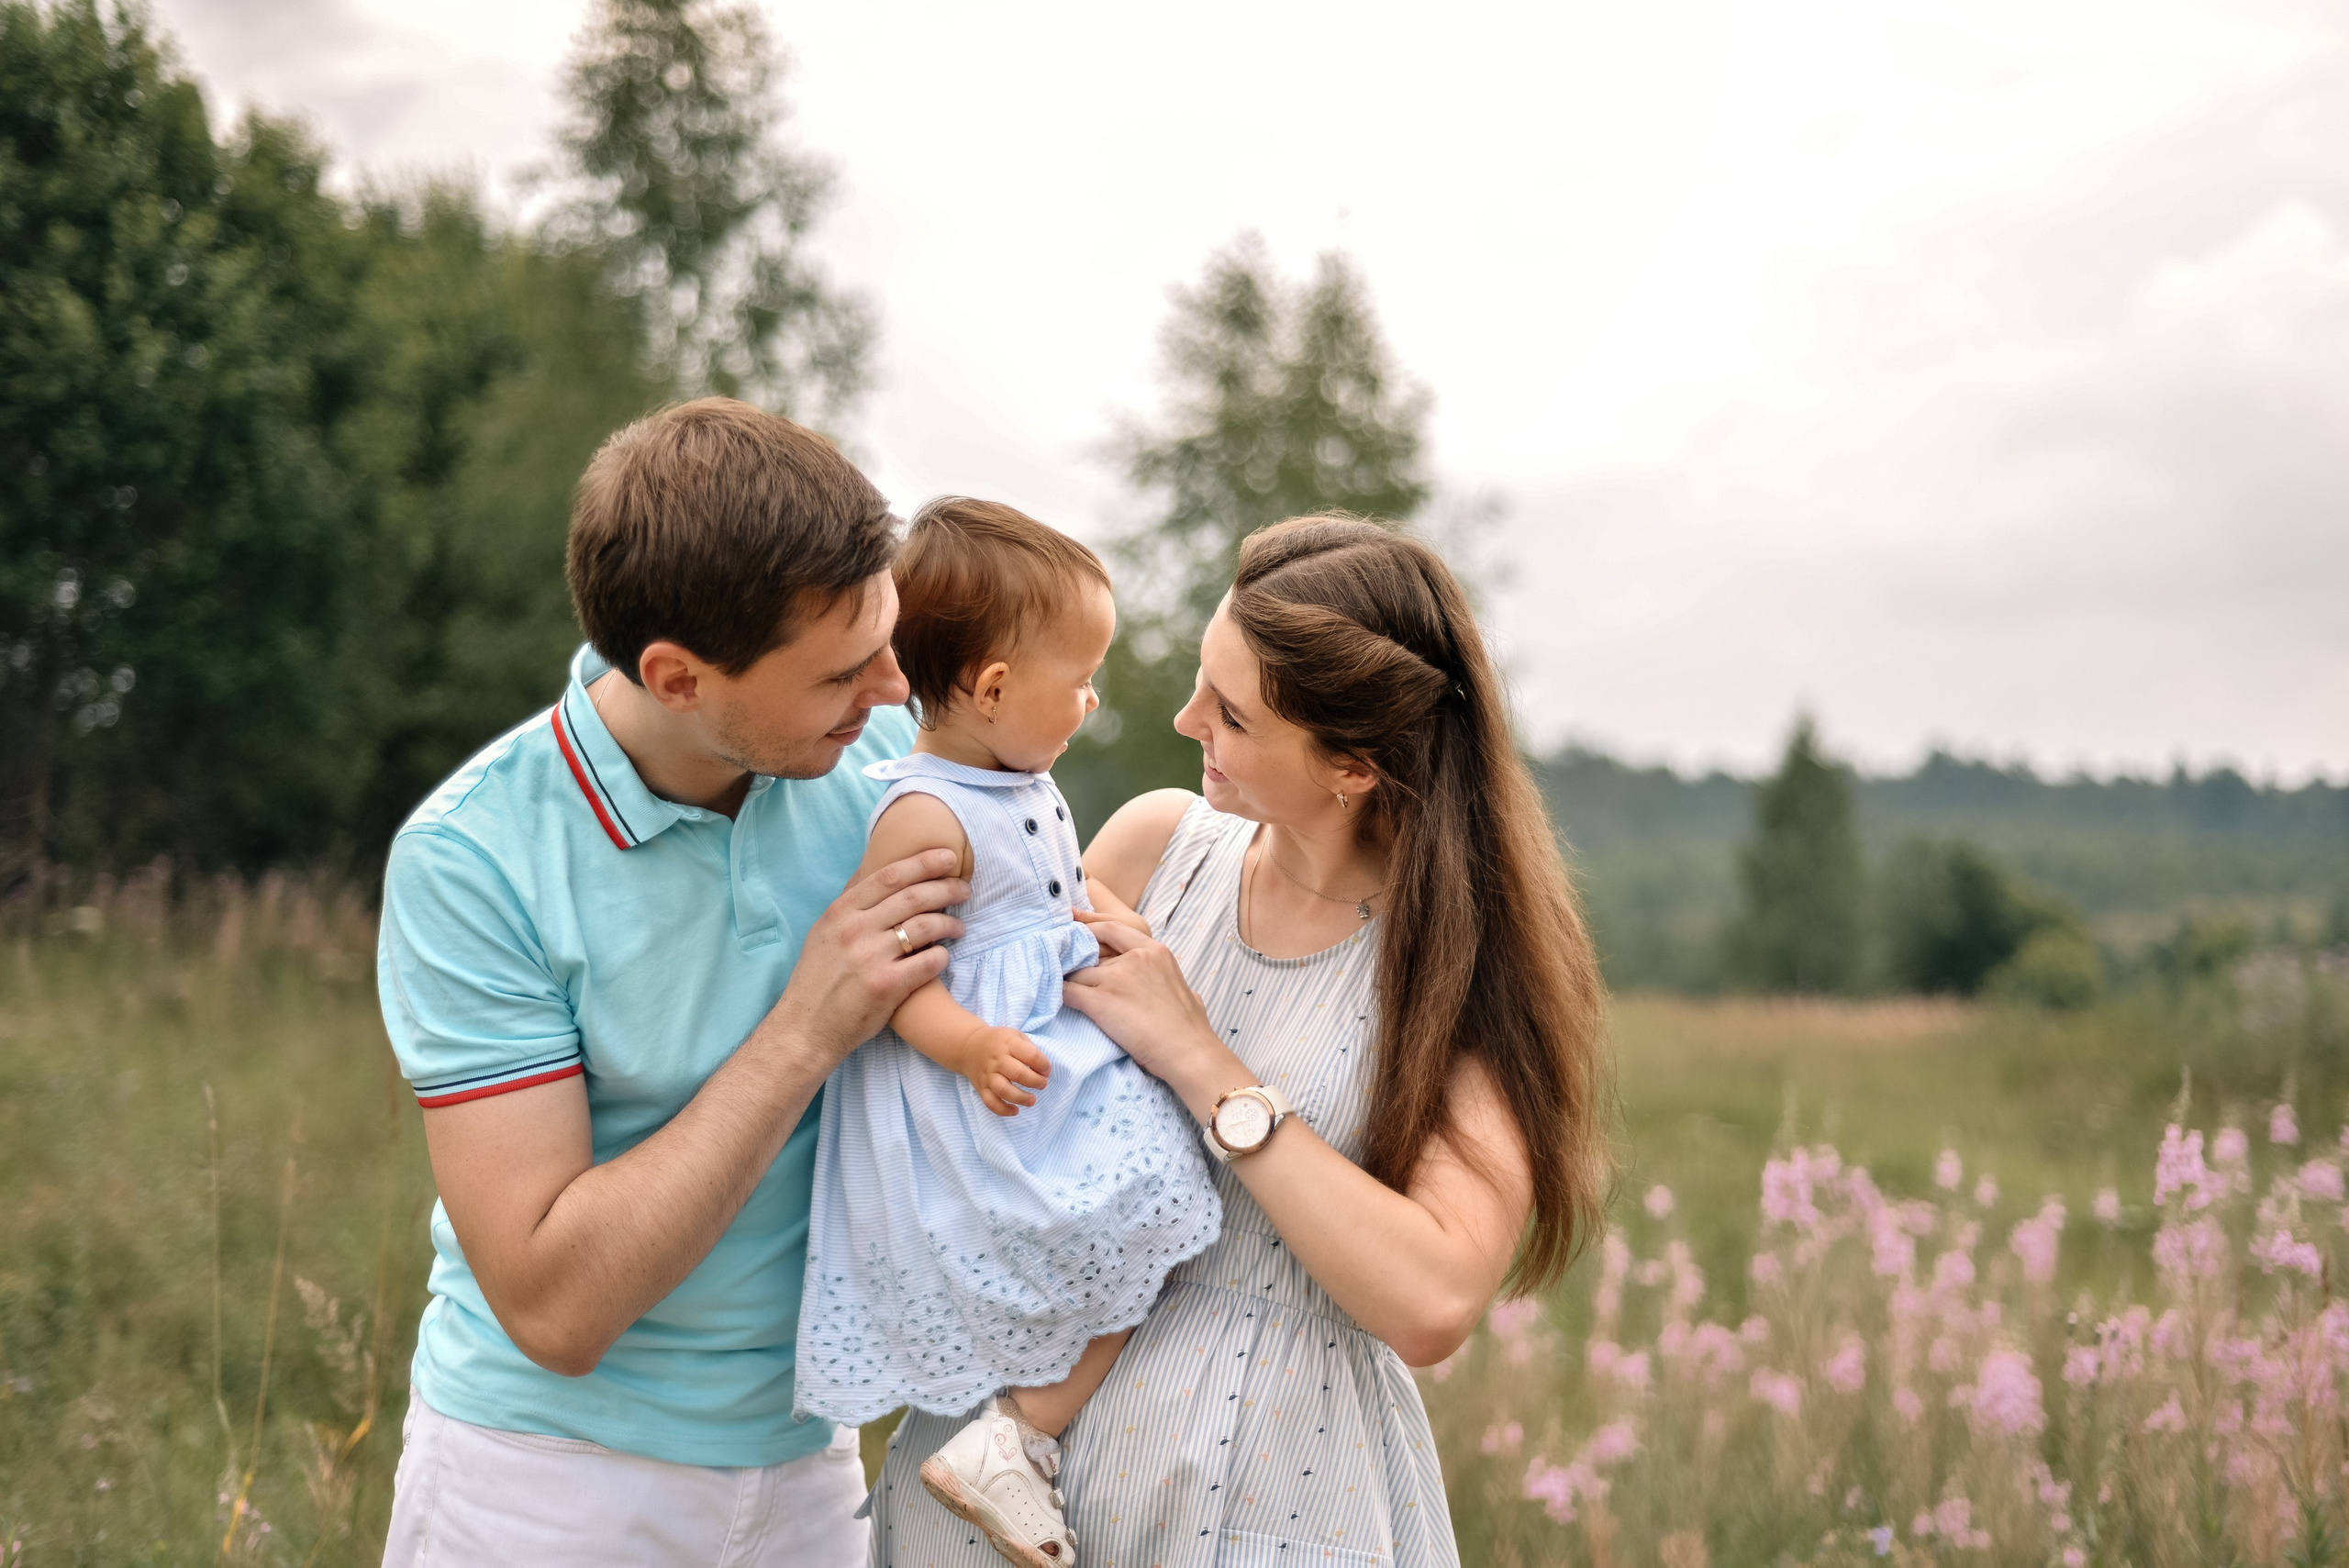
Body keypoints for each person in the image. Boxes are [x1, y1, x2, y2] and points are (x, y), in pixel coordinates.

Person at [865, 516, 1615, 1566]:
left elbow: (1434, 1298)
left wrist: (1204, 1062)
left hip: (1260, 1503)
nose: (1184, 719)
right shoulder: (1150, 845)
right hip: (976, 1495)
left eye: (1232, 712)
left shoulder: (1458, 973)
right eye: (1200, 679)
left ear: (1352, 765)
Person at [374, 398, 967, 1566]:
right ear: (678, 677)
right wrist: (807, 1027)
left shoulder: (893, 779)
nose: (896, 689)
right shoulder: (473, 860)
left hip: (817, 1470)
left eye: (887, 639)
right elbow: (554, 1305)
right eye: (843, 671)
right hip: (545, 1484)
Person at [796, 498, 1222, 1568]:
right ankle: (1014, 1436)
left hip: (1049, 1052)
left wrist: (1116, 933)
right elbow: (888, 980)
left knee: (1157, 1202)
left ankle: (1022, 1430)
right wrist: (967, 1046)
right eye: (1077, 678)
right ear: (991, 688)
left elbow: (1055, 899)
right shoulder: (924, 813)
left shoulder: (1018, 780)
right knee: (1144, 1203)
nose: (1090, 699)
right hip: (988, 1085)